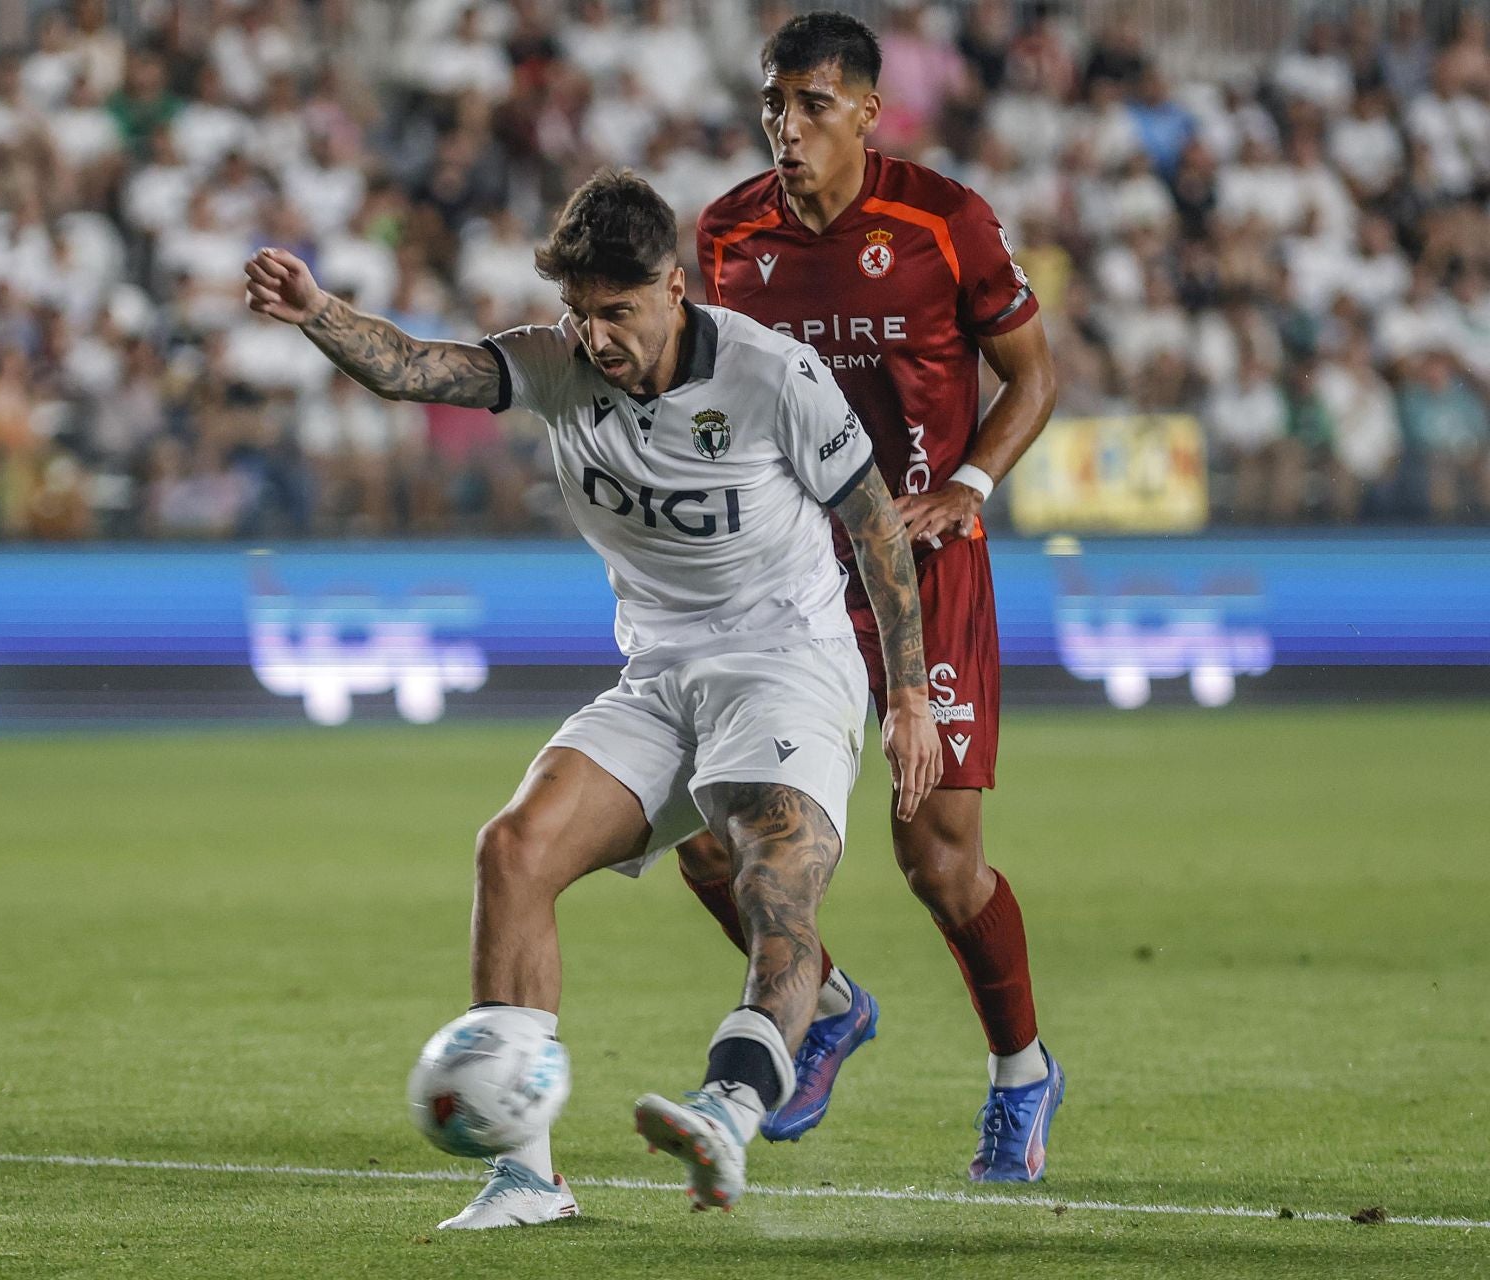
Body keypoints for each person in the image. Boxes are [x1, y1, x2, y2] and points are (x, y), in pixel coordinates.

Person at [245, 170, 939, 1226]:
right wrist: (317, 313)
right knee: (512, 849)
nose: (596, 335)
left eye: (617, 311)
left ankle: (729, 1109)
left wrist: (911, 694)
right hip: (660, 671)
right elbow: (418, 370)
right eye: (579, 311)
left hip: (787, 657)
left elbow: (876, 523)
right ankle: (527, 1172)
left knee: (770, 875)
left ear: (675, 285)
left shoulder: (772, 375)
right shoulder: (557, 364)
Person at [691, 11, 1064, 1182]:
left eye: (810, 104)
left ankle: (1021, 1070)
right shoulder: (725, 236)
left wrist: (966, 482)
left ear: (867, 110)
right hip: (792, 579)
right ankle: (833, 1001)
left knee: (938, 862)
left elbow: (1033, 373)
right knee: (712, 835)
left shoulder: (943, 221)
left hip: (923, 569)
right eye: (773, 103)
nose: (785, 127)